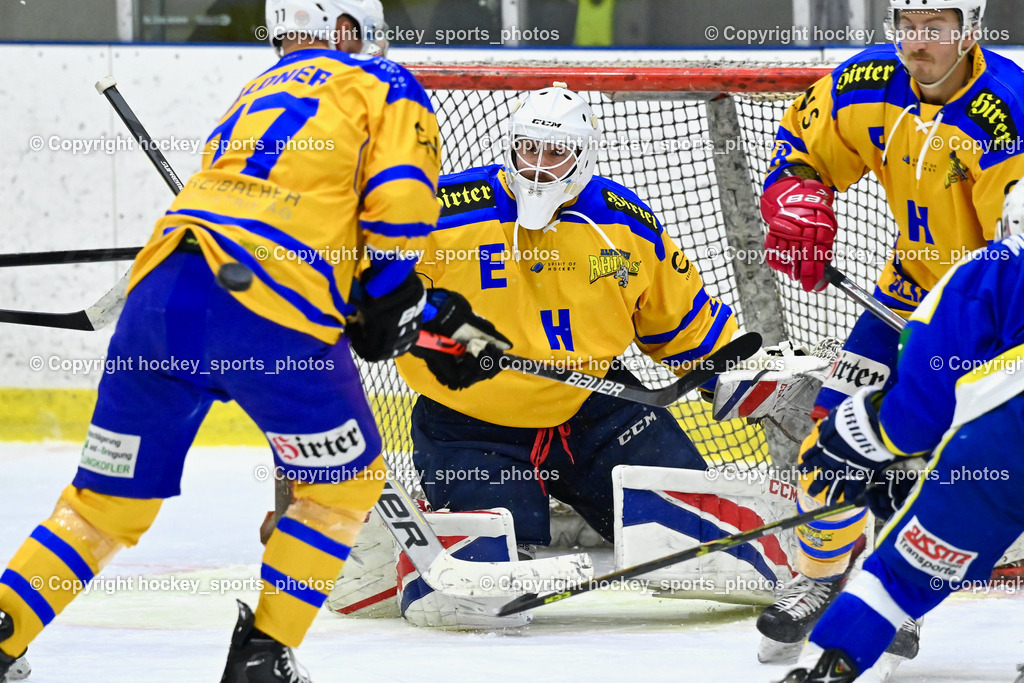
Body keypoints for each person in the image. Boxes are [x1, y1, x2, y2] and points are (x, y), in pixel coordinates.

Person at [0, 2, 500, 682]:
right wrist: (387, 299)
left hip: (160, 299)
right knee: (342, 485)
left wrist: (399, 304)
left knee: (103, 504)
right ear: (350, 29)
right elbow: (402, 200)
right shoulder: (385, 83)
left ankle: (6, 626)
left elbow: (275, 213)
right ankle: (264, 655)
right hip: (267, 313)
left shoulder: (256, 92)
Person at [757, 0, 1024, 661]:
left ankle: (900, 599)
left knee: (946, 462)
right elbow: (799, 143)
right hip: (906, 292)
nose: (916, 42)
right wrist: (795, 194)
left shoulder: (1007, 110)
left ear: (971, 30)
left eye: (934, 27)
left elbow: (1013, 257)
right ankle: (822, 577)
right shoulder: (868, 82)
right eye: (906, 25)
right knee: (834, 433)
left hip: (986, 317)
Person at [395, 84, 738, 559]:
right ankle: (444, 528)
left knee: (709, 545)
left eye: (556, 151)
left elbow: (680, 322)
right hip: (470, 424)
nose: (537, 164)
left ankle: (583, 515)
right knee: (486, 580)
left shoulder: (622, 222)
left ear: (584, 156)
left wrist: (729, 374)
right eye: (528, 147)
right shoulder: (440, 212)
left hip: (596, 408)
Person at [778, 178, 1024, 682]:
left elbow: (919, 408)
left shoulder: (990, 271)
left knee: (897, 577)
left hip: (1004, 443)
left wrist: (861, 445)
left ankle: (828, 667)